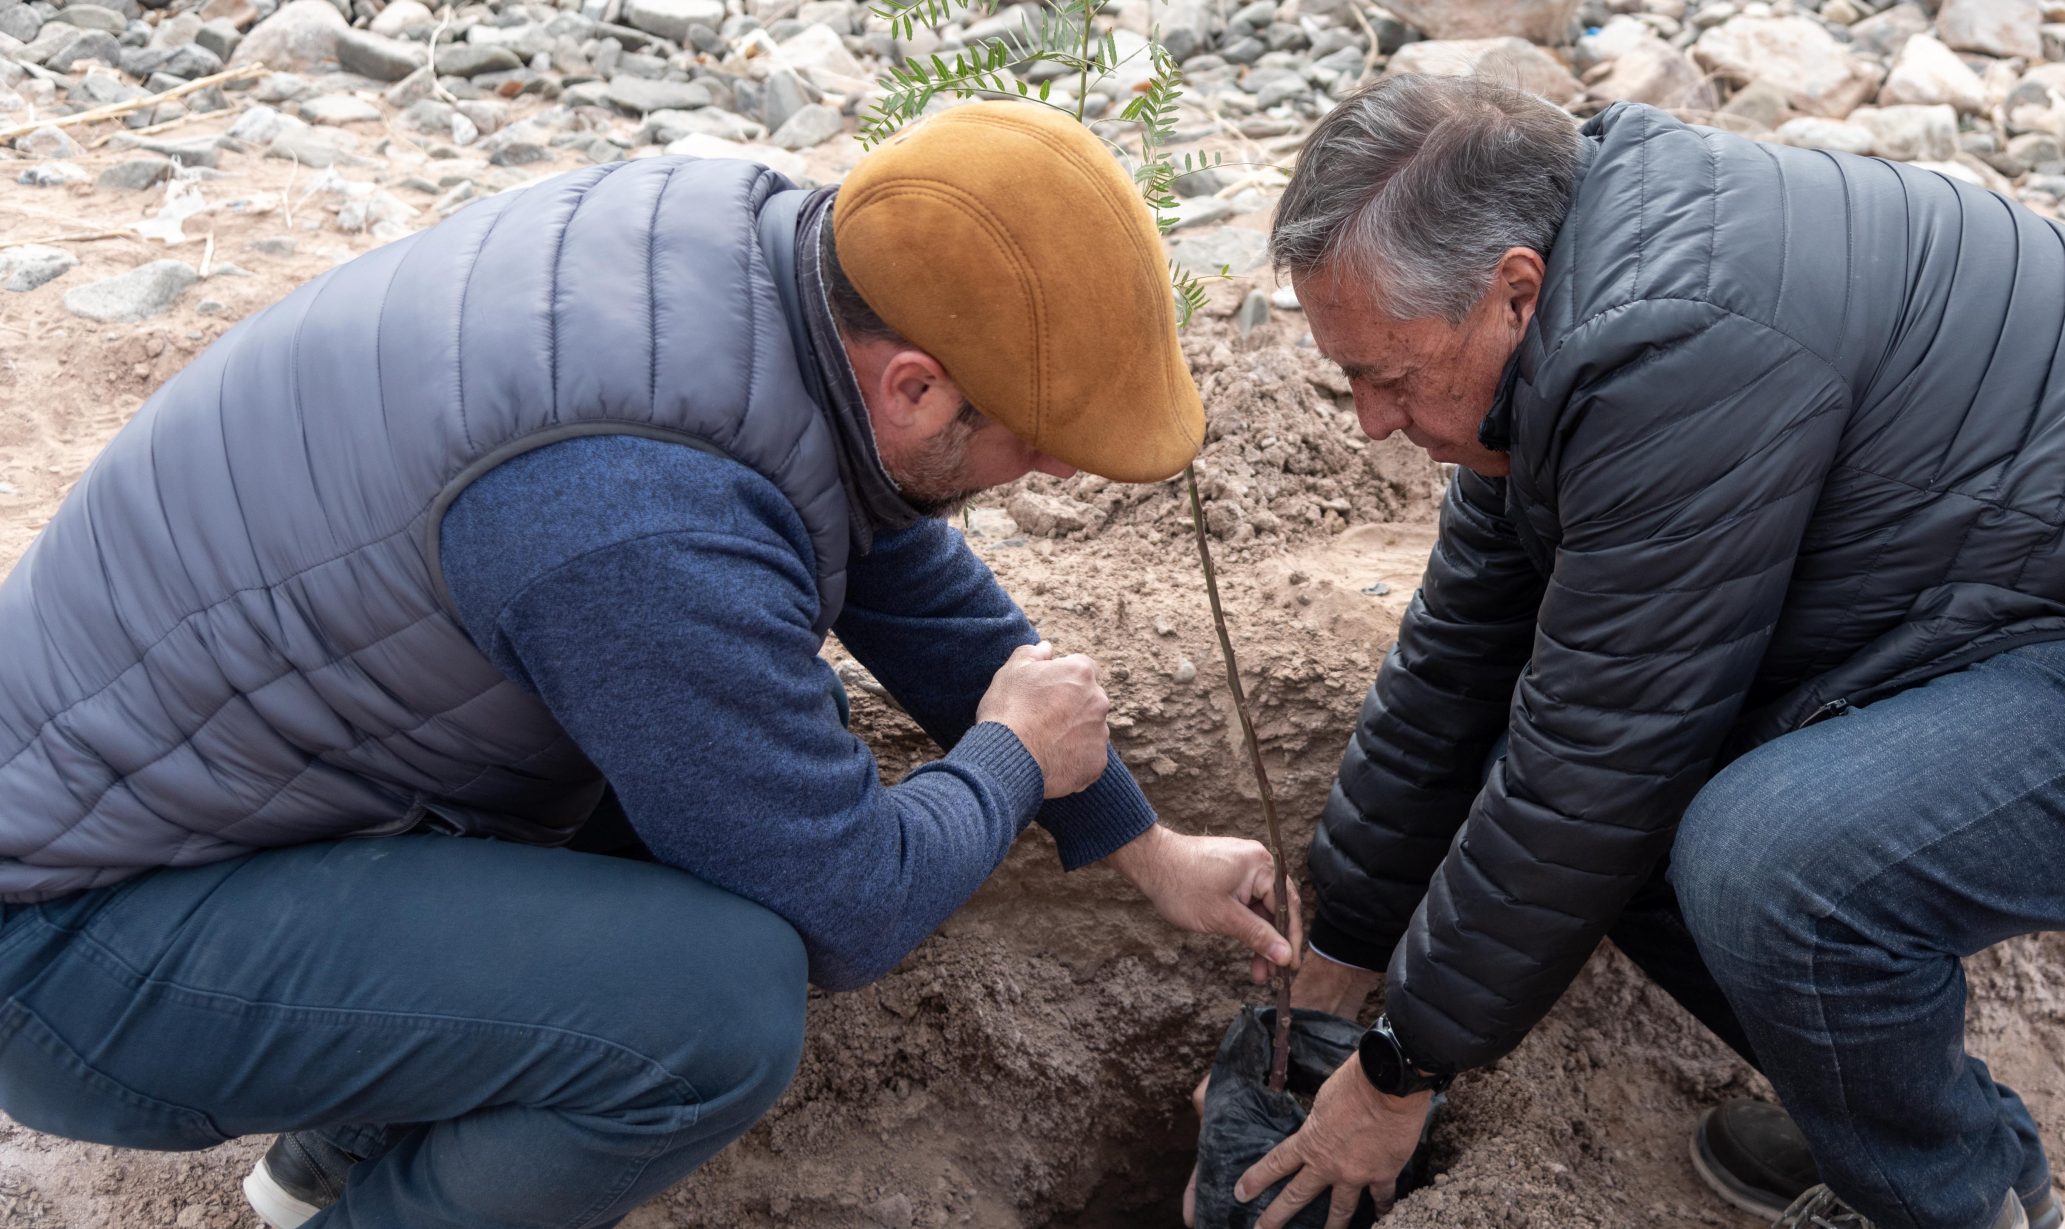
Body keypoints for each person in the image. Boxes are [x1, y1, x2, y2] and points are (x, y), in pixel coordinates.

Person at [0, 100, 1293, 1229]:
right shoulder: (637, 511)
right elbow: (848, 909)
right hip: (69, 947)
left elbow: (887, 556)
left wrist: (1143, 842)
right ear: (913, 386)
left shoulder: (750, 258)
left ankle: (325, 1161)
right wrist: (1010, 757)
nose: (1057, 470)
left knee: (718, 760)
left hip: (205, 821)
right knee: (712, 1007)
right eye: (1041, 441)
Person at [1231, 75, 2065, 1229]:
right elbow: (1458, 663)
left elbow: (1593, 770)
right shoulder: (1571, 327)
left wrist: (1396, 1073)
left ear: (1511, 288)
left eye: (1385, 376)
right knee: (1644, 823)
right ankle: (1934, 1153)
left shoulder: (1669, 350)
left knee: (1770, 857)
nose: (1372, 423)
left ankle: (1945, 1198)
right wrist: (1334, 973)